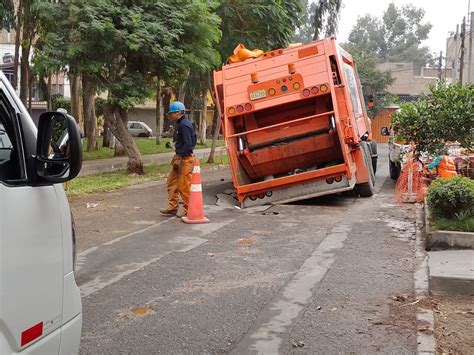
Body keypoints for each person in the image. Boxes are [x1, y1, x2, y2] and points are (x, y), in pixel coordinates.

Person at [160, 101, 197, 217]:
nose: (170, 116)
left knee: (184, 186)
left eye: (171, 113)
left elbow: (189, 143)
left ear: (178, 113)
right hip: (180, 157)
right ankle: (172, 207)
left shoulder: (184, 125)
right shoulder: (180, 124)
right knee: (172, 182)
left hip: (185, 159)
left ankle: (187, 209)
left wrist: (180, 156)